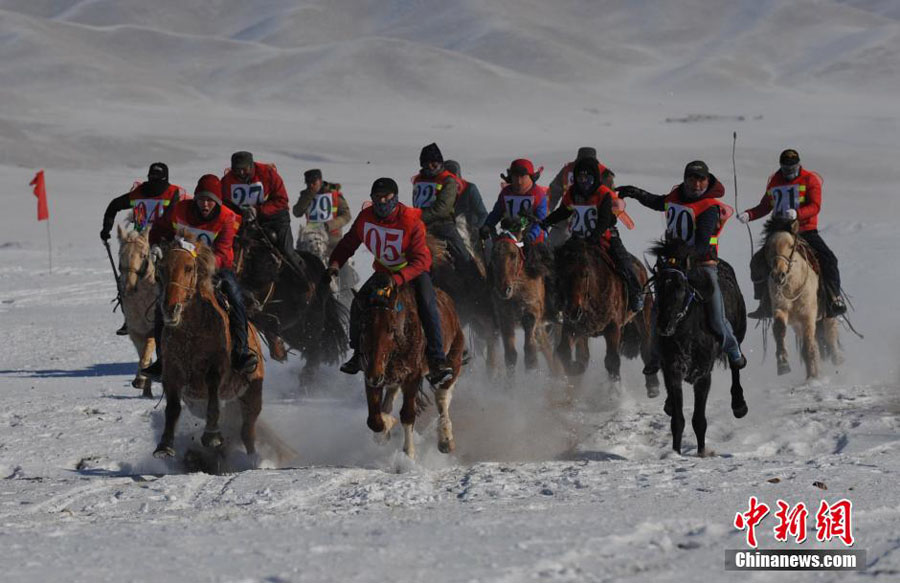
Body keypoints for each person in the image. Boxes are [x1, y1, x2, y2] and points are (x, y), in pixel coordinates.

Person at [618, 160, 746, 370]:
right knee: (658, 308)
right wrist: (634, 192)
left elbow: (703, 241)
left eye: (701, 180)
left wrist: (684, 256)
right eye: (692, 179)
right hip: (673, 263)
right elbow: (657, 201)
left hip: (702, 263)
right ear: (685, 179)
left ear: (707, 182)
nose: (696, 184)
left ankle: (732, 349)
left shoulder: (709, 207)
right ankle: (655, 356)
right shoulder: (675, 197)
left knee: (715, 313)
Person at [327, 177, 454, 387]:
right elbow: (349, 242)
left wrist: (398, 279)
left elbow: (422, 260)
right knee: (359, 303)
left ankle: (437, 359)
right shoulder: (366, 218)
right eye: (377, 197)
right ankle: (358, 353)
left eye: (386, 197)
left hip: (412, 272)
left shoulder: (410, 221)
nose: (382, 202)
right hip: (384, 272)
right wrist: (335, 264)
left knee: (428, 305)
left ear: (395, 198)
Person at [142, 174, 258, 380]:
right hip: (182, 268)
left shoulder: (227, 218)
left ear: (218, 202)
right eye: (202, 199)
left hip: (215, 269)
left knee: (235, 298)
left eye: (210, 200)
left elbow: (223, 253)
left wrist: (200, 263)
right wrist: (157, 246)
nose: (205, 204)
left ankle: (240, 352)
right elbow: (159, 228)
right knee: (165, 302)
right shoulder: (179, 210)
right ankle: (162, 360)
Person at [738, 149, 846, 318]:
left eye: (792, 168)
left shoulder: (810, 179)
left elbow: (815, 206)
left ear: (798, 165)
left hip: (804, 230)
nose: (789, 172)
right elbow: (766, 205)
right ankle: (764, 303)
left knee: (829, 259)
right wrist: (749, 214)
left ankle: (834, 298)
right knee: (757, 263)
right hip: (779, 233)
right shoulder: (774, 181)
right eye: (785, 168)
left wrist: (798, 213)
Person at [542, 157, 643, 312]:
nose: (583, 181)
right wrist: (546, 221)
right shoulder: (572, 193)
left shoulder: (604, 194)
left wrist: (595, 236)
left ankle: (635, 293)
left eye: (587, 178)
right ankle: (557, 297)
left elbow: (604, 220)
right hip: (578, 239)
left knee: (623, 262)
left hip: (604, 237)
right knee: (558, 261)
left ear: (594, 177)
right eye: (580, 178)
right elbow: (563, 211)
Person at [100, 162, 186, 335]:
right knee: (127, 273)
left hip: (164, 241)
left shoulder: (175, 193)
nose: (153, 184)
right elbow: (114, 206)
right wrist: (106, 229)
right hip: (140, 242)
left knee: (167, 278)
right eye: (151, 179)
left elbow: (186, 212)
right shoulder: (138, 193)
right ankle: (130, 316)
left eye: (157, 180)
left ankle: (171, 312)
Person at [221, 151, 301, 269]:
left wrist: (258, 210)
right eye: (237, 170)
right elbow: (223, 204)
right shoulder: (226, 181)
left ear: (251, 165)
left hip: (274, 218)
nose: (241, 173)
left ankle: (305, 278)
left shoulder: (268, 173)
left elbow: (282, 200)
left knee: (286, 250)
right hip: (243, 220)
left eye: (245, 169)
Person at [412, 143, 481, 281]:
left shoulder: (448, 181)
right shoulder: (418, 180)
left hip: (442, 225)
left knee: (463, 255)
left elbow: (442, 209)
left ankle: (475, 284)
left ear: (440, 163)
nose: (431, 167)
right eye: (427, 164)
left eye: (434, 163)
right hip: (420, 225)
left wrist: (418, 217)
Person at [547, 147, 616, 248]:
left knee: (618, 255)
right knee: (551, 246)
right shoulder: (567, 171)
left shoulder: (605, 174)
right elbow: (554, 193)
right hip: (570, 211)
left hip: (597, 218)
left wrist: (610, 217)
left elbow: (613, 201)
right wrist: (546, 215)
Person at [292, 168, 351, 256]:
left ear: (320, 181)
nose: (311, 186)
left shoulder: (333, 194)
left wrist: (330, 225)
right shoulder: (306, 195)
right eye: (308, 184)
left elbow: (346, 215)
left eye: (313, 183)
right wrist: (309, 195)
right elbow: (297, 212)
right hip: (311, 239)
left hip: (333, 239)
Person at [443, 159, 488, 246]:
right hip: (448, 233)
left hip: (469, 233)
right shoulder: (440, 191)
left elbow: (483, 214)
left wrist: (475, 230)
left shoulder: (470, 189)